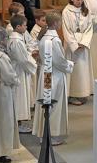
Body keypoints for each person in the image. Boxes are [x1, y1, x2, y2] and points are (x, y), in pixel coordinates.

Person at [32, 11, 74, 145]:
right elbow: (59, 61)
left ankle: (43, 134)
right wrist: (70, 64)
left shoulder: (44, 37)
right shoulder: (54, 40)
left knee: (46, 102)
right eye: (60, 22)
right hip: (53, 75)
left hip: (45, 73)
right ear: (56, 24)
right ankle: (51, 135)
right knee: (53, 103)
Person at [0, 27, 20, 163]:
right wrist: (17, 81)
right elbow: (9, 77)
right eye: (6, 38)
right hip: (1, 96)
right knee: (1, 124)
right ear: (1, 40)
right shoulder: (1, 57)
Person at [62, 0, 94, 105]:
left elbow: (89, 28)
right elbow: (66, 29)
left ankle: (83, 92)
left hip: (83, 44)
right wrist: (75, 45)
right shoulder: (66, 11)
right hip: (72, 45)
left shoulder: (86, 11)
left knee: (83, 69)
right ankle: (72, 94)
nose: (80, 2)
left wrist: (84, 42)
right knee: (73, 70)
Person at [7, 15, 37, 133]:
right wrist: (35, 63)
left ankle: (18, 122)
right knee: (19, 97)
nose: (26, 27)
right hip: (19, 71)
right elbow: (23, 59)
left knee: (20, 97)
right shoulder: (16, 41)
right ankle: (17, 124)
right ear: (18, 27)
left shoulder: (16, 38)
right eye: (24, 25)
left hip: (20, 70)